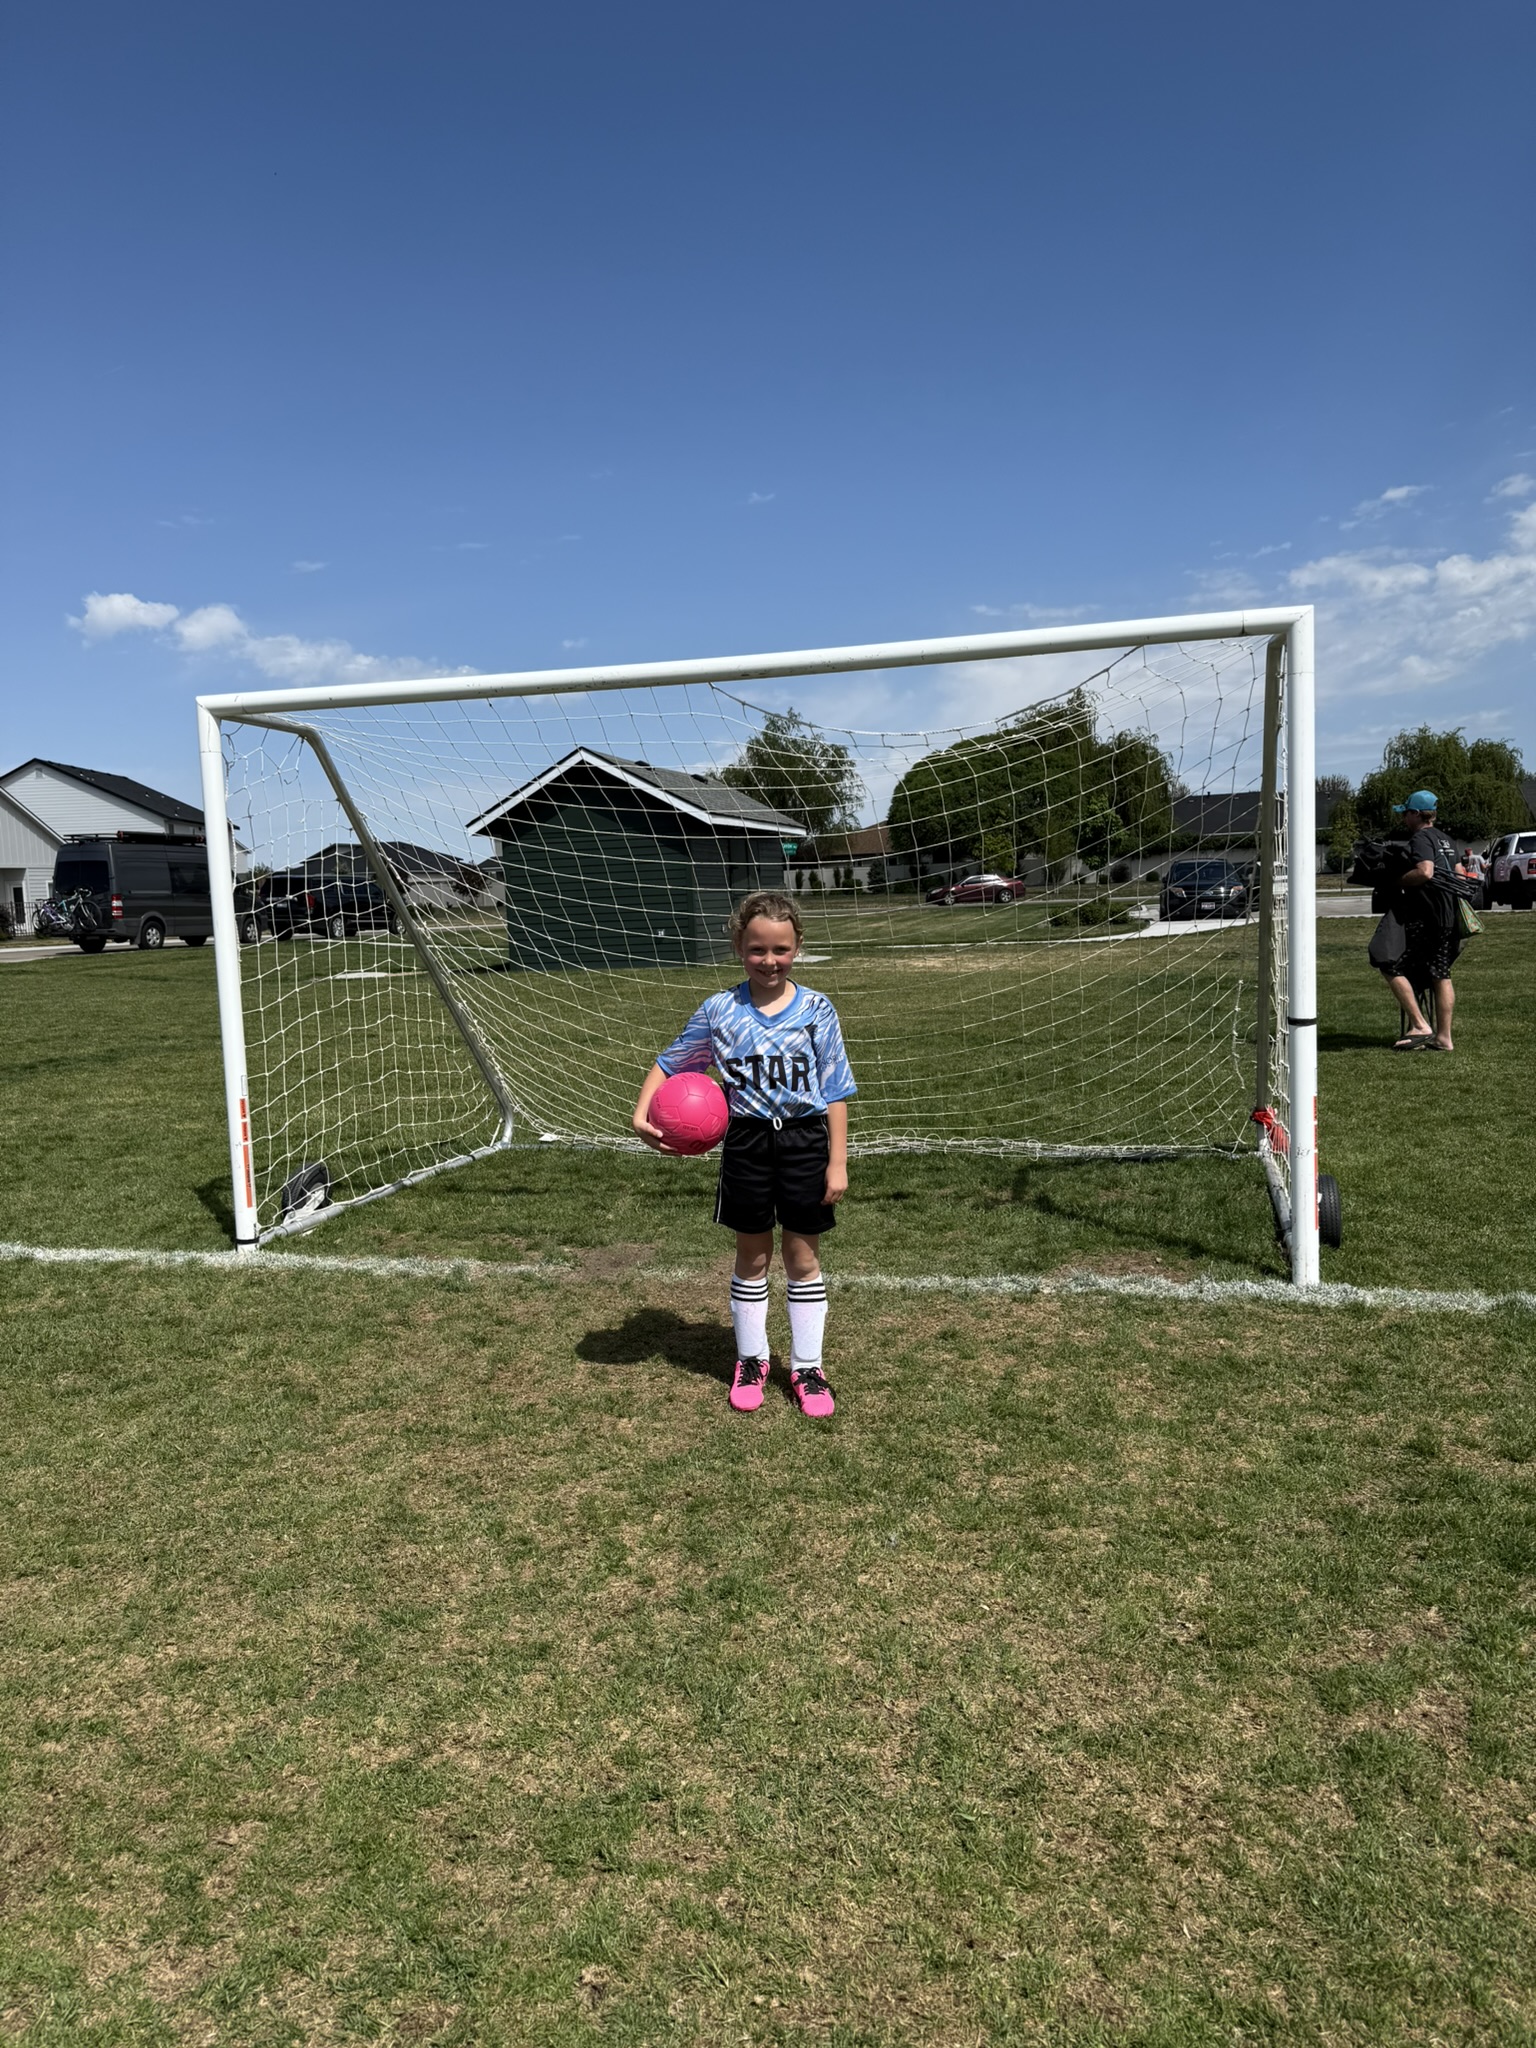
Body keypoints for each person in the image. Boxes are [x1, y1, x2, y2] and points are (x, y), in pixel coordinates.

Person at [633, 890, 855, 1418]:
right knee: (752, 1256)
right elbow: (671, 1061)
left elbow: (836, 1090)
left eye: (780, 949)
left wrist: (838, 1161)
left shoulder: (818, 1010)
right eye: (758, 949)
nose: (770, 961)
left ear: (797, 946)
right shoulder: (719, 1011)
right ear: (739, 946)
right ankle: (751, 1359)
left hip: (805, 1141)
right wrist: (641, 1115)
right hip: (747, 1143)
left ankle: (807, 1367)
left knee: (802, 1258)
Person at [1379, 791, 1466, 1052]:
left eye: (1406, 812)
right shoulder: (1446, 839)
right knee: (1441, 974)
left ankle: (1419, 1024)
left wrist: (1396, 881)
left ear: (1416, 814)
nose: (1404, 817)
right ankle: (1444, 1038)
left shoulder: (1420, 838)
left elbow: (1425, 871)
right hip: (1449, 916)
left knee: (1387, 960)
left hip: (1426, 916)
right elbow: (1460, 878)